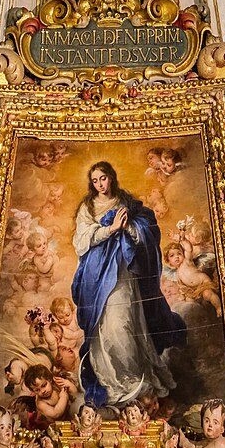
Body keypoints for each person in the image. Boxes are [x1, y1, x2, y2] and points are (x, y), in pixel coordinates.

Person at [70, 160, 185, 410]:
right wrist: (110, 229)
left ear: (111, 177)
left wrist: (130, 228)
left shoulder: (126, 202)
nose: (100, 185)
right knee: (105, 326)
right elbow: (81, 240)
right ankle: (113, 381)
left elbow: (147, 228)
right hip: (97, 274)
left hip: (123, 270)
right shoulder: (87, 207)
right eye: (95, 181)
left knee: (124, 323)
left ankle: (134, 379)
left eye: (103, 178)